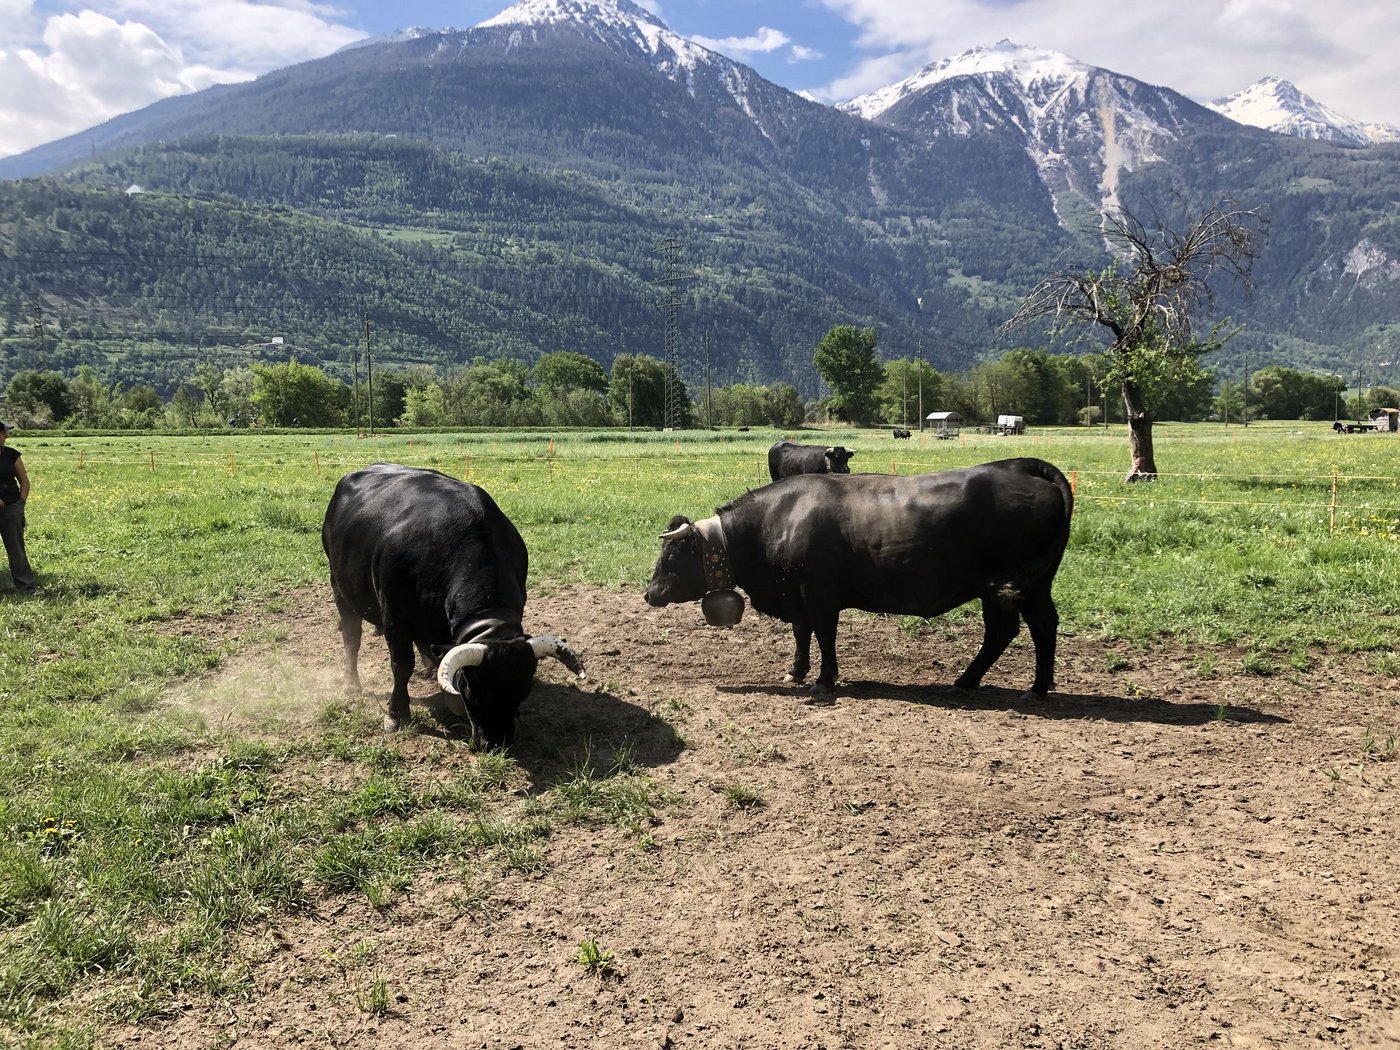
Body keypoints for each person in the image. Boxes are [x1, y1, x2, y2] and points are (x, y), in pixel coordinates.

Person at [0, 421, 36, 595]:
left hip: (11, 508)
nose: (6, 436)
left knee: (16, 549)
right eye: (3, 433)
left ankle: (26, 587)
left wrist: (20, 503)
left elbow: (24, 480)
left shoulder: (11, 454)